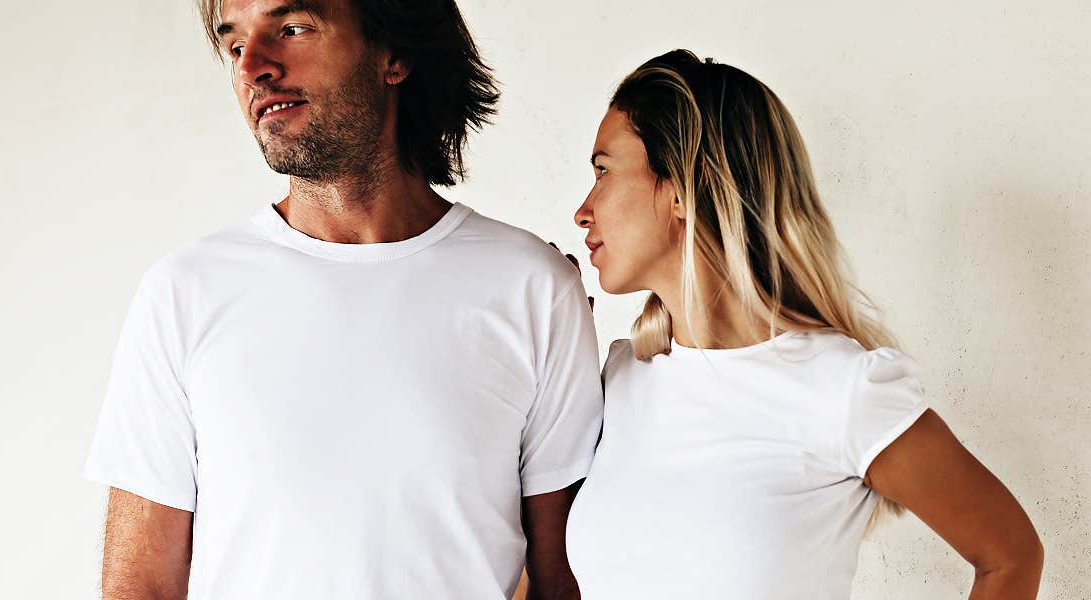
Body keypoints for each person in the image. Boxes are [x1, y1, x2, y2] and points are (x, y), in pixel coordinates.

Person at [83, 1, 601, 597]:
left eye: (292, 29)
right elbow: (141, 584)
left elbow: (561, 578)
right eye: (234, 46)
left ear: (394, 55)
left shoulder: (532, 288)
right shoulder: (184, 294)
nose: (253, 66)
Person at [564, 49, 1044, 599]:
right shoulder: (623, 377)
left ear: (681, 188)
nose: (584, 209)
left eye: (603, 170)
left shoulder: (841, 388)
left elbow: (1010, 556)